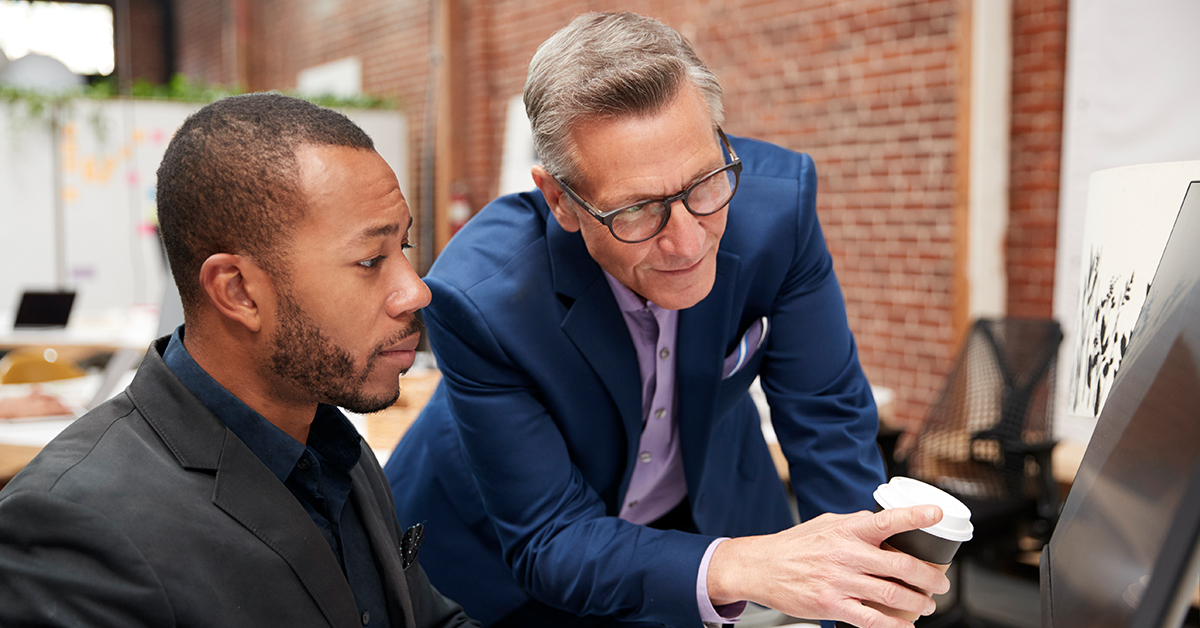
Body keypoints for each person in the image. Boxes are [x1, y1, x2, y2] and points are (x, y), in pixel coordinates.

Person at [384, 11, 948, 628]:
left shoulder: (775, 214)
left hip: (692, 523)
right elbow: (551, 540)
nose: (686, 243)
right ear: (560, 201)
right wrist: (735, 566)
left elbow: (828, 419)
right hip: (497, 560)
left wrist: (861, 599)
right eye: (638, 211)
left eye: (703, 183)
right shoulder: (485, 298)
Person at [0, 93, 477, 628]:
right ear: (239, 292)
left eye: (405, 248)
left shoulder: (330, 444)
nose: (416, 292)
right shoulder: (76, 528)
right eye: (370, 261)